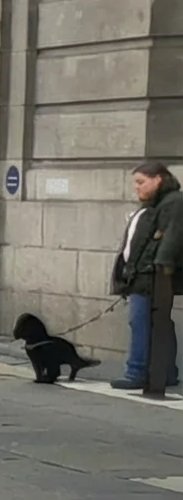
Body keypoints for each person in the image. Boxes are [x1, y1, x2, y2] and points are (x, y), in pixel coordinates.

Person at [113, 160, 181, 392]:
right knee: (156, 323)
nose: (137, 187)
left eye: (141, 182)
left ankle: (137, 371)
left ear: (158, 179)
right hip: (144, 273)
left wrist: (158, 266)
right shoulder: (155, 204)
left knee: (141, 321)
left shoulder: (172, 203)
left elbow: (168, 239)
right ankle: (165, 371)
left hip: (151, 275)